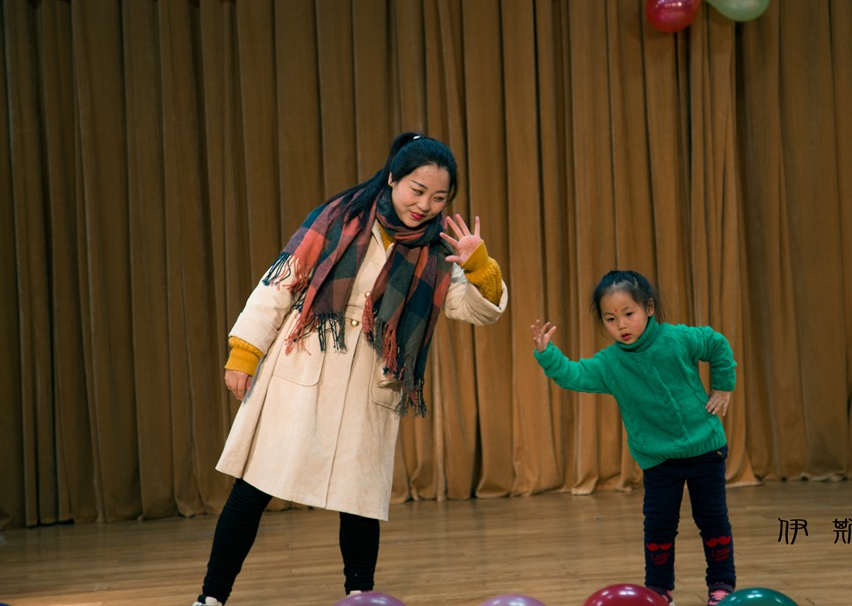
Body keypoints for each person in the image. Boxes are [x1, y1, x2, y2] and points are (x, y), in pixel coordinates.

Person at [192, 132, 508, 606]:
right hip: (302, 366)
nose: (424, 205)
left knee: (359, 499)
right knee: (253, 487)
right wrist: (244, 351)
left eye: (439, 197)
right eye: (417, 190)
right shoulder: (340, 218)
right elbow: (280, 284)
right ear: (393, 178)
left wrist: (480, 266)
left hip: (369, 382)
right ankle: (211, 597)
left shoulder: (440, 247)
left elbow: (479, 311)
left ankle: (360, 596)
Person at [530, 270, 737, 606]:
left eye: (629, 313)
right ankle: (658, 591)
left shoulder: (677, 338)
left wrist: (723, 386)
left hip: (706, 450)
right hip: (658, 460)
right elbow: (573, 375)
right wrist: (547, 354)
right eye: (611, 319)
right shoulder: (609, 364)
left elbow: (716, 344)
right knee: (659, 526)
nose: (621, 325)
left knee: (713, 520)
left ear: (649, 308)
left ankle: (722, 585)